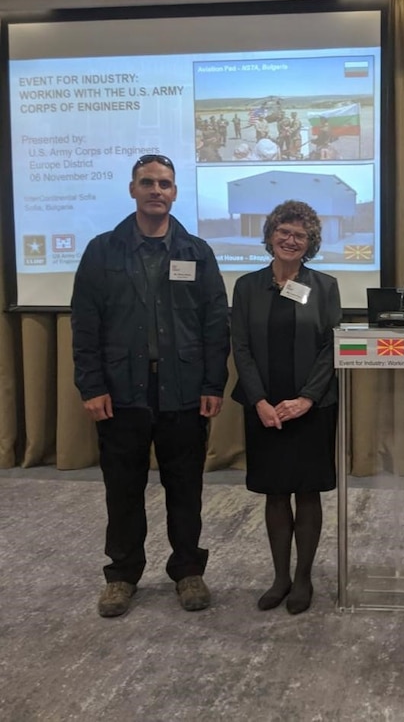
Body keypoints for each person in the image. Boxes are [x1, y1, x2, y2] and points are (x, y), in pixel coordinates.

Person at [71, 154, 230, 618]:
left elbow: (214, 323)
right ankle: (122, 575)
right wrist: (91, 386)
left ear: (176, 192)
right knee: (122, 489)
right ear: (132, 189)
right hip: (122, 392)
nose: (156, 190)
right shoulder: (103, 250)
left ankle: (187, 570)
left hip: (183, 391)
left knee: (186, 487)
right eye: (147, 183)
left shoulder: (197, 251)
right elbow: (85, 324)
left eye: (164, 183)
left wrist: (213, 383)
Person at [231, 200, 341, 615]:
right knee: (275, 493)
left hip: (310, 407)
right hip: (264, 407)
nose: (291, 240)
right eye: (284, 232)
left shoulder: (325, 286)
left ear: (310, 242)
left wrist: (307, 399)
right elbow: (240, 347)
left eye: (300, 235)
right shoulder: (246, 286)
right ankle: (279, 576)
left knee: (307, 491)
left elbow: (332, 346)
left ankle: (303, 578)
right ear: (270, 236)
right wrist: (259, 400)